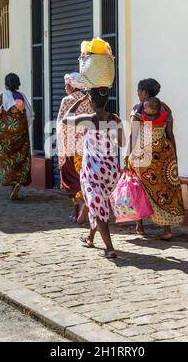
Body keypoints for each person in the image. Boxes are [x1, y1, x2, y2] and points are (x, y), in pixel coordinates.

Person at [62, 88, 125, 259]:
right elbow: (121, 142)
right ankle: (90, 237)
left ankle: (110, 248)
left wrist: (77, 101)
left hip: (93, 170)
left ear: (91, 101)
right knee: (98, 202)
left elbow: (65, 119)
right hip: (111, 170)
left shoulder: (89, 119)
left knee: (98, 207)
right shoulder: (115, 119)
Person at [125, 79, 185, 240]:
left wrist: (126, 155)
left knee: (138, 188)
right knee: (164, 190)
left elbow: (133, 135)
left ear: (144, 92)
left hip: (143, 154)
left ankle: (139, 227)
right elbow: (170, 135)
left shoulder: (138, 109)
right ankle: (167, 229)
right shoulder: (165, 108)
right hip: (164, 155)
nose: (137, 94)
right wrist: (175, 156)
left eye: (139, 91)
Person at [0, 73, 34, 200]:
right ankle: (18, 182)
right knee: (21, 156)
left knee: (7, 157)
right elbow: (27, 115)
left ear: (6, 84)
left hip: (6, 134)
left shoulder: (3, 95)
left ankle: (12, 183)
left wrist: (1, 124)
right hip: (21, 132)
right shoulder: (22, 96)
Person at [57, 73, 92, 223]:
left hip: (70, 146)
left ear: (72, 86)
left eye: (67, 85)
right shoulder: (89, 100)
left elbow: (61, 124)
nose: (65, 88)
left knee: (71, 178)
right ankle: (78, 209)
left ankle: (80, 206)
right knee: (82, 176)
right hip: (84, 145)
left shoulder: (67, 100)